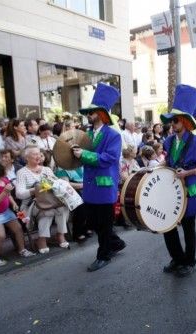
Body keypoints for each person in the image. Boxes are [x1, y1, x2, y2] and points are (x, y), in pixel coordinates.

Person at [160, 84, 196, 277]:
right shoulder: (168, 141)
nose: (172, 124)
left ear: (184, 121)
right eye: (171, 121)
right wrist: (159, 166)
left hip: (189, 190)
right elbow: (169, 160)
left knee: (188, 227)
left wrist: (187, 173)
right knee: (168, 225)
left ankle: (189, 261)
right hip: (172, 190)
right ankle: (177, 258)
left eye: (175, 121)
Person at [73, 82, 126, 272]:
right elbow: (76, 156)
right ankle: (115, 243)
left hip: (104, 186)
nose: (89, 114)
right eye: (88, 112)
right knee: (94, 223)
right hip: (89, 186)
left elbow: (109, 159)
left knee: (103, 224)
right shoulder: (85, 134)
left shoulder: (113, 135)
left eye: (92, 112)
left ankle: (103, 255)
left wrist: (84, 155)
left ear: (102, 114)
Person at [15, 146, 70, 253]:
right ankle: (42, 239)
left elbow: (57, 184)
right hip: (31, 204)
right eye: (35, 154)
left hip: (51, 200)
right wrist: (36, 189)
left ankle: (60, 234)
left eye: (39, 153)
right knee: (47, 211)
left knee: (63, 207)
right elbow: (19, 194)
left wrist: (55, 185)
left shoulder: (47, 169)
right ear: (27, 158)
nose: (39, 156)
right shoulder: (21, 172)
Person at [0, 162, 35, 266]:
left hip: (6, 211)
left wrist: (14, 203)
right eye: (3, 169)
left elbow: (9, 195)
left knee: (18, 229)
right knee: (0, 235)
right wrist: (4, 192)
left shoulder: (4, 180)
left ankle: (22, 250)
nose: (6, 171)